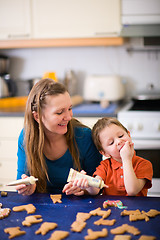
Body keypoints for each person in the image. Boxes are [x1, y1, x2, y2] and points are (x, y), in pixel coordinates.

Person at [15, 78, 102, 196]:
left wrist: (84, 189)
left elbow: (98, 186)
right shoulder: (26, 137)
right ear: (37, 117)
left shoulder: (84, 136)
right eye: (60, 112)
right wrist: (28, 189)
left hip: (78, 206)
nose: (68, 117)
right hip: (41, 208)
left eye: (70, 109)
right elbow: (21, 182)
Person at [69, 117, 153, 196]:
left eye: (121, 136)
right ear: (105, 153)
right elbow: (96, 189)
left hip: (136, 210)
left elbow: (132, 191)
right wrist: (88, 184)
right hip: (110, 209)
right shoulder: (104, 166)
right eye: (111, 143)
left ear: (129, 135)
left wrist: (126, 159)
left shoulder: (144, 165)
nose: (119, 141)